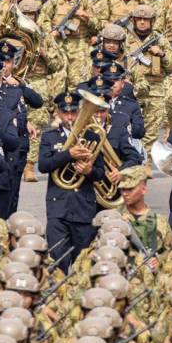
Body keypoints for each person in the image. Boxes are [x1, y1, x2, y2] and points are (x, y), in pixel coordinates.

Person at [39, 91, 107, 274]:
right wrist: (68, 154)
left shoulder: (93, 137)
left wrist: (89, 171)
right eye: (65, 112)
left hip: (83, 207)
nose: (70, 117)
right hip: (58, 207)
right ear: (59, 113)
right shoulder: (50, 136)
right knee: (57, 261)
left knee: (82, 265)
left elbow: (101, 173)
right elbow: (43, 166)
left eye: (74, 112)